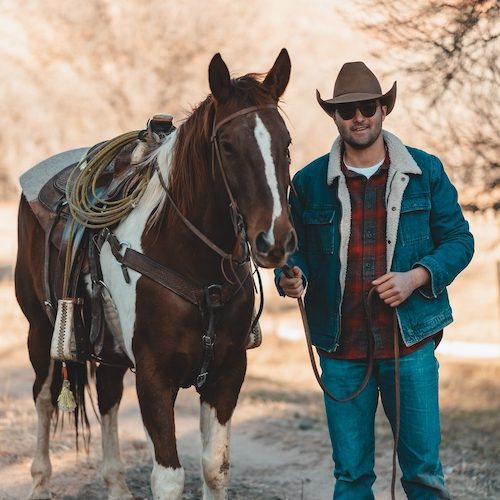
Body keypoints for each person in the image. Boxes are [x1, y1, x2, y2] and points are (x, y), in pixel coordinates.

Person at [275, 61, 474, 499]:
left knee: (423, 474)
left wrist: (417, 277)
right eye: (347, 111)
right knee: (350, 477)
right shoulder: (308, 182)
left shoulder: (426, 170)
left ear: (384, 109)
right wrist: (292, 278)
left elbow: (460, 241)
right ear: (334, 117)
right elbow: (294, 251)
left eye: (368, 106)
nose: (358, 117)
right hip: (340, 350)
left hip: (411, 345)